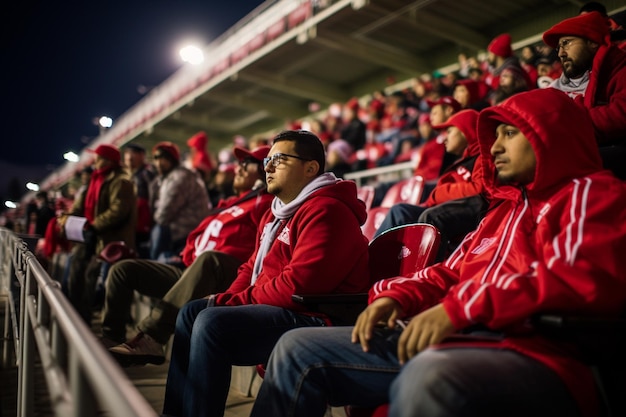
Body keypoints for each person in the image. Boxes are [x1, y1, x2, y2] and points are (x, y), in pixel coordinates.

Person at [250, 88, 626, 417]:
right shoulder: (501, 213)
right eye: (496, 136)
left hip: (538, 353)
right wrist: (397, 296)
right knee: (295, 346)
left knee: (430, 378)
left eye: (509, 133)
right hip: (468, 336)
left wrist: (460, 308)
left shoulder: (590, 193)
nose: (494, 147)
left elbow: (575, 278)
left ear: (550, 133)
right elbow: (449, 271)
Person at [162, 129, 370, 417]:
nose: (268, 167)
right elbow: (250, 268)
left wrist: (230, 303)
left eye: (279, 159)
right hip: (286, 307)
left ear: (310, 168)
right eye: (267, 160)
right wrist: (226, 297)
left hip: (317, 315)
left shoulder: (328, 210)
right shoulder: (277, 213)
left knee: (211, 322)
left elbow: (300, 285)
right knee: (191, 312)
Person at [101, 146, 273, 364]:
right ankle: (110, 340)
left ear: (264, 171)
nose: (238, 169)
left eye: (246, 164)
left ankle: (151, 338)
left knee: (209, 259)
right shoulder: (228, 204)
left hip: (225, 276)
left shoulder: (267, 202)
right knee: (123, 270)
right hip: (193, 271)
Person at [373, 109, 485, 242]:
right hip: (440, 206)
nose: (445, 137)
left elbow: (479, 189)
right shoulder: (462, 160)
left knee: (409, 213)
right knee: (399, 211)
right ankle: (374, 255)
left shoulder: (482, 158)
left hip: (455, 212)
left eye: (449, 132)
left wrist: (440, 192)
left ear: (466, 131)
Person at [543, 10, 626, 179]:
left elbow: (621, 113)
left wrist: (571, 120)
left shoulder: (620, 70)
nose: (560, 53)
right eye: (559, 47)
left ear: (592, 42)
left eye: (566, 43)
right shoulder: (558, 86)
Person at [63, 144, 137, 323]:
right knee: (76, 270)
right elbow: (80, 206)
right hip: (92, 236)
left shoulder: (121, 180)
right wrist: (67, 218)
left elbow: (118, 210)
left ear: (108, 160)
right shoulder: (95, 179)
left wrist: (93, 225)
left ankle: (99, 322)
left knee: (97, 279)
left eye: (98, 157)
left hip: (111, 240)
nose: (94, 160)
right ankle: (77, 315)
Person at [148, 141, 211, 262]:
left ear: (173, 159)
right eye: (156, 158)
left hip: (185, 232)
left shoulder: (179, 177)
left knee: (158, 229)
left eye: (164, 158)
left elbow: (164, 214)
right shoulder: (167, 177)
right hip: (183, 230)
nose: (159, 162)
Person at [122, 143, 155, 258]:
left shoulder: (146, 174)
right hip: (132, 225)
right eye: (127, 156)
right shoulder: (129, 176)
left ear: (142, 156)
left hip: (143, 226)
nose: (129, 159)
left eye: (132, 156)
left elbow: (154, 199)